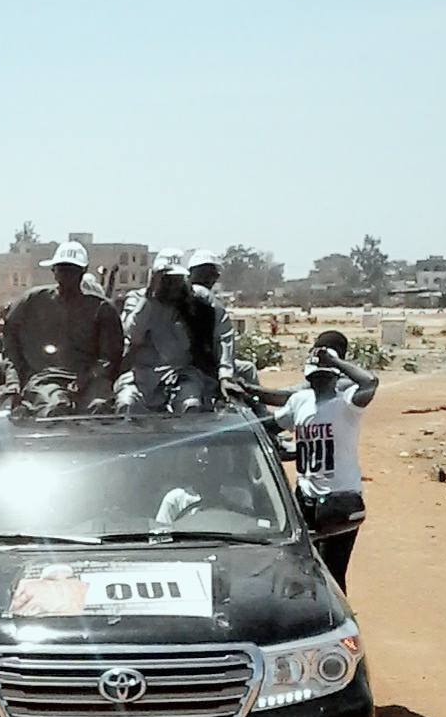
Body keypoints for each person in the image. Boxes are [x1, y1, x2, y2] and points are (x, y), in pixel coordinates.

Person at [244, 337, 378, 591]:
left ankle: (336, 625)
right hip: (306, 498)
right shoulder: (300, 401)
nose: (318, 381)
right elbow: (272, 424)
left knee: (333, 572)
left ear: (334, 375)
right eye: (315, 376)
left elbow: (370, 382)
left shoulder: (347, 402)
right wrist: (247, 398)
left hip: (340, 500)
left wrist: (335, 361)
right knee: (306, 567)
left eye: (324, 375)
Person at [1, 240, 124, 417]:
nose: (67, 275)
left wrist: (88, 376)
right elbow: (10, 337)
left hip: (91, 379)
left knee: (100, 407)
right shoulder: (32, 301)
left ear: (83, 272)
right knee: (55, 407)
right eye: (62, 269)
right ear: (53, 271)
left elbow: (110, 356)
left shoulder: (102, 308)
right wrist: (17, 375)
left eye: (73, 271)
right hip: (45, 378)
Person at [115, 250, 211, 415]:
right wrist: (150, 298)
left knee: (191, 404)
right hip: (142, 375)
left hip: (180, 374)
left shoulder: (192, 303)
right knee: (126, 404)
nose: (173, 285)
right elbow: (132, 334)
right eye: (167, 280)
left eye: (177, 280)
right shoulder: (137, 299)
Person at [187, 249, 242, 391]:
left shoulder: (172, 297)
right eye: (209, 273)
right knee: (248, 369)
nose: (213, 278)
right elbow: (225, 338)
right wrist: (225, 374)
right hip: (202, 366)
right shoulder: (210, 300)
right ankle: (260, 411)